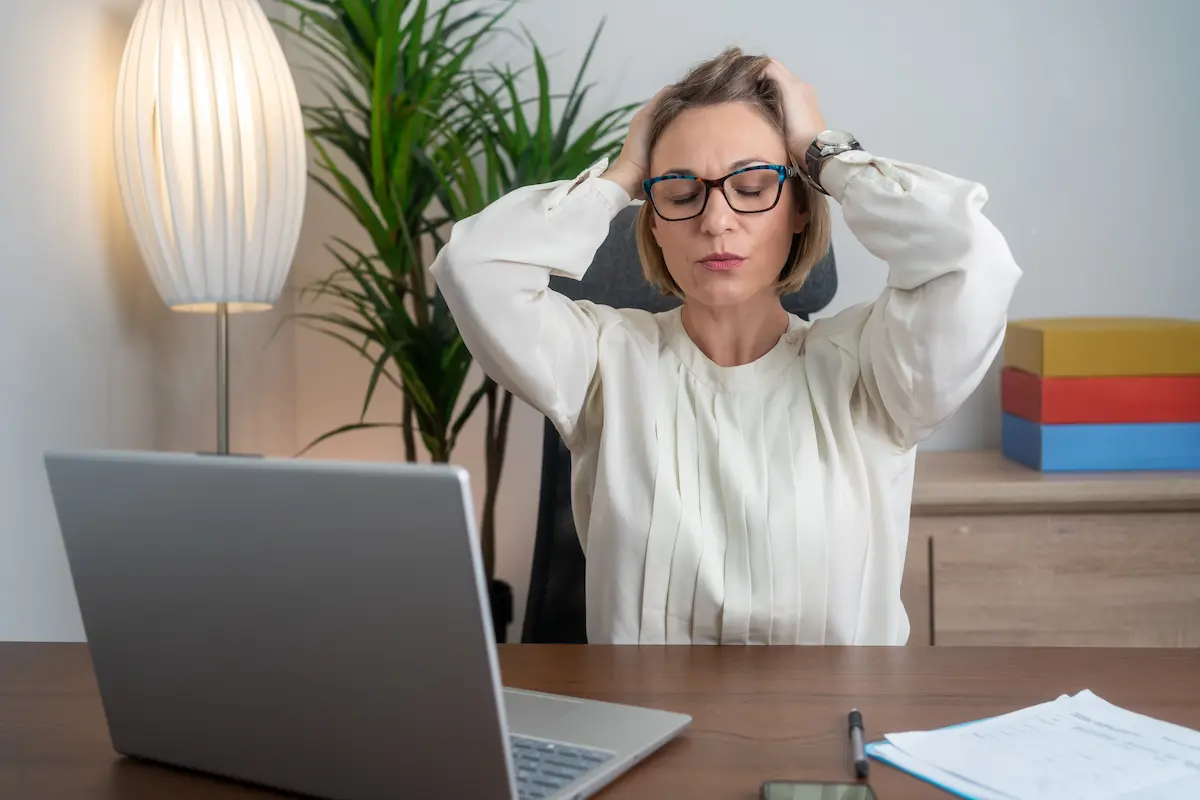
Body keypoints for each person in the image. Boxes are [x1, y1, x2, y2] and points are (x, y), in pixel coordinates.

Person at [431, 48, 1021, 646]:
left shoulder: (874, 370)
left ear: (798, 208)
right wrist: (623, 174)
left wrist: (825, 151)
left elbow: (971, 260)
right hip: (647, 725)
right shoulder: (602, 364)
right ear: (653, 221)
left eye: (752, 186)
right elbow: (473, 267)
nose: (716, 221)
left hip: (831, 727)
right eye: (682, 194)